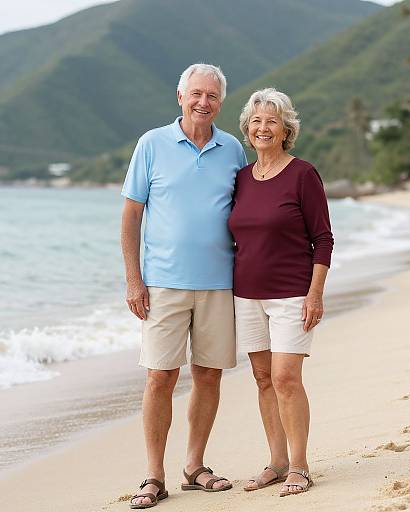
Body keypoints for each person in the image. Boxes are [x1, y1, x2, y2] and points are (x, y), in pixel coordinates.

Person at [121, 63, 247, 509]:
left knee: (209, 374)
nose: (203, 102)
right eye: (196, 94)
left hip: (219, 284)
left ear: (220, 102)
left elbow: (247, 215)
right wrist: (134, 280)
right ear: (180, 96)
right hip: (163, 284)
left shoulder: (233, 149)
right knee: (160, 377)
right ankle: (153, 475)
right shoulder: (151, 144)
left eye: (211, 96)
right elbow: (131, 215)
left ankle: (194, 466)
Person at [228, 88, 334, 497]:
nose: (262, 127)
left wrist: (315, 294)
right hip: (247, 294)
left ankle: (301, 465)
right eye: (255, 121)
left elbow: (323, 239)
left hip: (292, 293)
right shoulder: (241, 178)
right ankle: (276, 461)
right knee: (262, 378)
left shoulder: (303, 174)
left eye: (271, 120)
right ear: (247, 129)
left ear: (286, 128)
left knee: (285, 376)